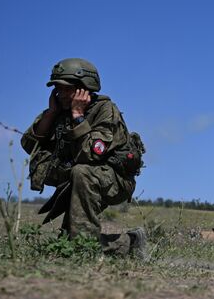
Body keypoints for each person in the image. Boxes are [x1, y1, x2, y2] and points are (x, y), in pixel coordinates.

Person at [21, 58, 146, 258]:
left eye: (66, 89)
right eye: (57, 89)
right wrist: (51, 113)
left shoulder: (105, 110)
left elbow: (90, 154)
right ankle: (130, 243)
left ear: (84, 89)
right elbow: (29, 146)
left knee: (82, 172)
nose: (60, 94)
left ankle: (85, 249)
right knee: (65, 243)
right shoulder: (58, 112)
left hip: (113, 180)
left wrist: (78, 116)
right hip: (80, 181)